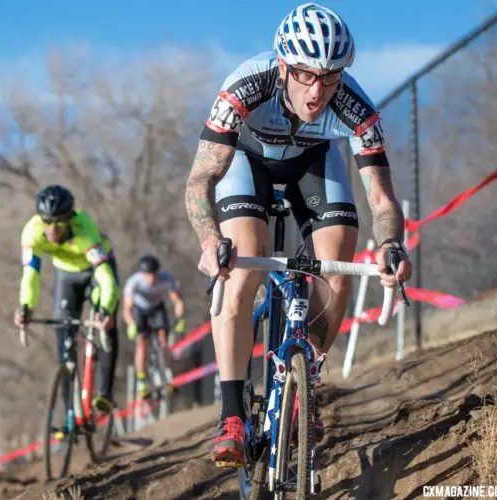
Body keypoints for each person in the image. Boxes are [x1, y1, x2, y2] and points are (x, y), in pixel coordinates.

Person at [184, 2, 413, 468]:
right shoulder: (245, 87)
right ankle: (232, 415)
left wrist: (391, 245)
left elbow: (383, 200)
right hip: (246, 164)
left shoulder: (356, 107)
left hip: (313, 162)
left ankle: (303, 385)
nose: (318, 91)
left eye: (330, 78)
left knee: (340, 264)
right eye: (306, 75)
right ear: (284, 65)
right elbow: (199, 181)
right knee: (244, 261)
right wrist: (210, 241)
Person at [14, 184, 121, 415]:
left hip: (96, 271)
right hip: (66, 274)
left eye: (59, 222)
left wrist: (107, 309)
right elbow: (30, 275)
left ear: (70, 219)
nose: (52, 228)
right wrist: (26, 307)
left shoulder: (84, 228)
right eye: (47, 221)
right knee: (64, 338)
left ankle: (105, 393)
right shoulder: (32, 232)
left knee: (106, 322)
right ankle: (70, 413)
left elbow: (106, 279)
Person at [122, 254, 186, 399]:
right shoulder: (134, 282)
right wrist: (131, 324)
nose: (152, 279)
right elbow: (127, 308)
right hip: (139, 310)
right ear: (142, 274)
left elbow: (178, 301)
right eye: (148, 276)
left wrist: (179, 319)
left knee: (163, 341)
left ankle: (166, 372)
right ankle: (142, 381)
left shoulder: (166, 279)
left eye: (154, 275)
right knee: (141, 343)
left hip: (157, 308)